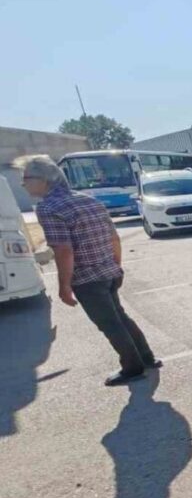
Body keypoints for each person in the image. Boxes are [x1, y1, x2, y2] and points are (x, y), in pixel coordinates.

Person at [20, 155, 159, 386]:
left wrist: (64, 286)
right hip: (109, 272)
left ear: (44, 179)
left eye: (26, 179)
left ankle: (133, 367)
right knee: (120, 317)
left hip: (88, 279)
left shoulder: (49, 207)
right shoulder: (88, 200)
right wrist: (117, 266)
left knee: (109, 323)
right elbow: (114, 237)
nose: (23, 184)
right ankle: (147, 358)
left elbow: (63, 251)